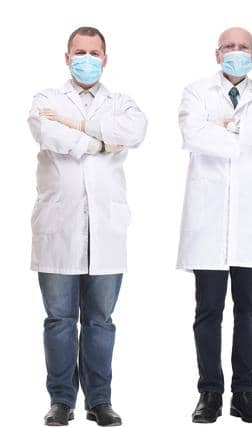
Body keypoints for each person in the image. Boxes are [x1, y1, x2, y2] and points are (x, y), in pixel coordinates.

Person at [29, 26, 147, 427]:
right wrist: (99, 142)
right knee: (60, 320)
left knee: (100, 321)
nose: (86, 58)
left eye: (94, 52)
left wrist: (76, 127)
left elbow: (135, 132)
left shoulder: (122, 102)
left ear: (105, 58)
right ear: (66, 57)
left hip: (108, 230)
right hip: (58, 228)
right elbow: (48, 133)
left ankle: (100, 401)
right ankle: (61, 401)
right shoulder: (46, 100)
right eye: (79, 52)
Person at [177, 26, 252, 424]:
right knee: (207, 310)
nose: (236, 53)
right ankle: (209, 394)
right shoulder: (196, 92)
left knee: (250, 311)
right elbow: (193, 133)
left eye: (243, 47)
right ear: (217, 53)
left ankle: (244, 393)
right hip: (208, 222)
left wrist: (226, 126)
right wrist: (243, 133)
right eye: (229, 47)